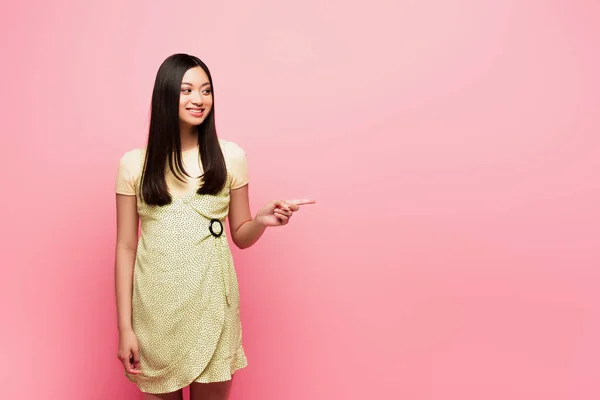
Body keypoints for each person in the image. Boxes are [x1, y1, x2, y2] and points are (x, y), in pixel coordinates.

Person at [114, 53, 315, 400]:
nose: (198, 99)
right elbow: (125, 247)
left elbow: (241, 235)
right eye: (187, 90)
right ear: (165, 95)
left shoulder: (231, 156)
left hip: (213, 304)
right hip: (156, 311)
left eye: (206, 91)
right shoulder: (134, 164)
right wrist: (124, 328)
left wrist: (263, 220)